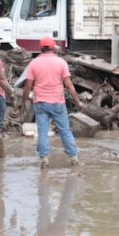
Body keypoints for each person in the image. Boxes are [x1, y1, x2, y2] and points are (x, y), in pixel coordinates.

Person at [22, 38, 83, 169]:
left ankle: (44, 159)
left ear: (40, 48)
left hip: (40, 103)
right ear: (53, 48)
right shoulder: (61, 63)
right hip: (57, 103)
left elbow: (27, 86)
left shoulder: (33, 63)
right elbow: (69, 85)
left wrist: (23, 102)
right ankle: (74, 158)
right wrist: (78, 102)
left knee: (42, 132)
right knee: (65, 131)